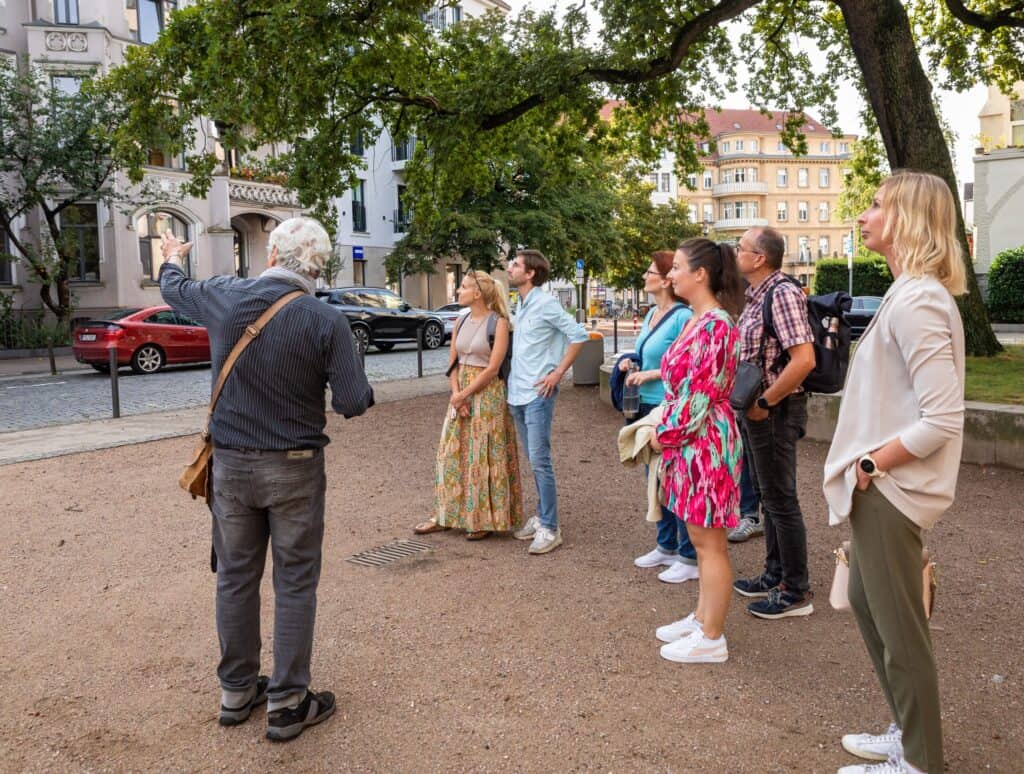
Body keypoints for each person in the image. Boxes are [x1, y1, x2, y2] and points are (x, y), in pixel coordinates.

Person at [159, 218, 373, 742]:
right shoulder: (326, 320)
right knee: (295, 581)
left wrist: (170, 254)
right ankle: (287, 703)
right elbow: (352, 402)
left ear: (272, 253)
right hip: (295, 466)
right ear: (319, 268)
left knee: (234, 576)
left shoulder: (226, 297)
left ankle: (236, 692)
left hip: (231, 466)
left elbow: (173, 289)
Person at [823, 171, 966, 774]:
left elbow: (943, 418)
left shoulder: (921, 300)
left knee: (900, 630)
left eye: (877, 206)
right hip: (880, 487)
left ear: (906, 219)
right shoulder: (909, 295)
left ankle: (919, 762)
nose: (864, 216)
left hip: (889, 487)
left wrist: (870, 464)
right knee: (865, 600)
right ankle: (908, 734)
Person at [651, 238, 744, 664]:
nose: (671, 275)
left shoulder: (716, 326)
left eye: (678, 268)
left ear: (700, 274)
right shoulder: (695, 320)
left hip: (704, 440)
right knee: (698, 537)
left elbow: (700, 396)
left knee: (710, 544)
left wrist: (661, 434)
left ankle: (712, 637)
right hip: (691, 441)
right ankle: (702, 617)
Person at [732, 226, 817, 619]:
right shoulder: (757, 296)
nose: (736, 253)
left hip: (774, 411)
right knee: (769, 497)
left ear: (760, 258)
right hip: (757, 410)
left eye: (741, 248)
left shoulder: (781, 293)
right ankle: (774, 573)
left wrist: (766, 402)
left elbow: (804, 359)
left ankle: (795, 589)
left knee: (781, 499)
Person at [414, 270, 523, 539]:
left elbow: (493, 368)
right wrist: (456, 394)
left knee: (482, 454)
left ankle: (483, 519)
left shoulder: (498, 323)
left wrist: (464, 395)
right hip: (461, 390)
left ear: (478, 293)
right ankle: (445, 514)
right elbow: (453, 362)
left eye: (463, 287)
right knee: (450, 453)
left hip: (487, 395)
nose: (458, 291)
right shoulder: (461, 321)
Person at [505, 249, 589, 554]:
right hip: (517, 393)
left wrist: (558, 373)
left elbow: (579, 335)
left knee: (540, 460)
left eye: (515, 265)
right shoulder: (522, 303)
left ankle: (551, 528)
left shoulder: (545, 303)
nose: (509, 268)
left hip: (538, 394)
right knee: (533, 459)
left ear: (530, 274)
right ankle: (541, 516)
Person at [621, 250, 697, 583]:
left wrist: (650, 375)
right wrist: (629, 361)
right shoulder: (652, 312)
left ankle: (688, 553)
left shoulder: (683, 316)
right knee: (653, 478)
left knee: (672, 478)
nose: (644, 276)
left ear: (666, 279)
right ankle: (665, 545)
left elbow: (684, 362)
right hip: (644, 403)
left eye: (650, 271)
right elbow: (646, 352)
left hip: (666, 403)